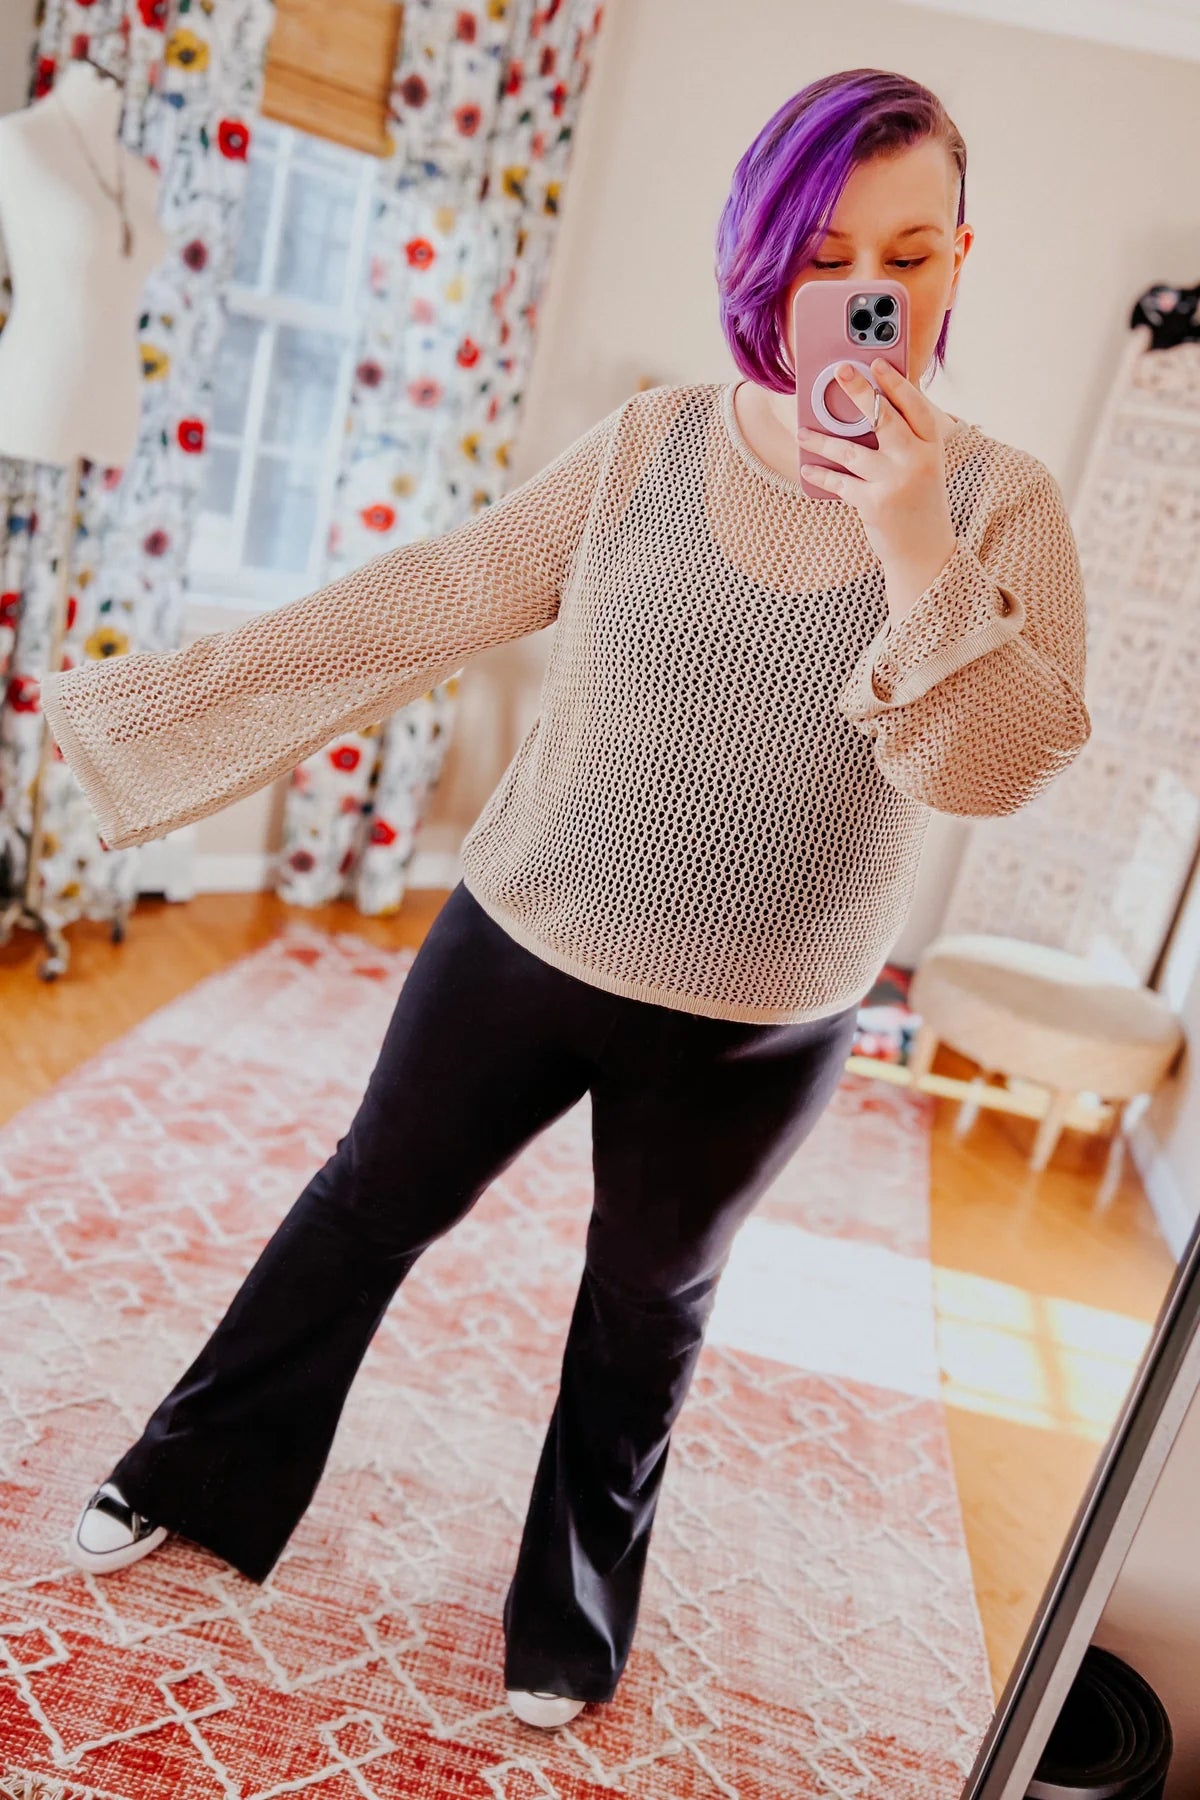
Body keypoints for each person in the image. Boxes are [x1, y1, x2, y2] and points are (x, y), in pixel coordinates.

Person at [44, 67, 1090, 1733]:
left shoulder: (999, 502)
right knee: (365, 1204)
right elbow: (443, 591)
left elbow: (993, 766)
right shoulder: (658, 440)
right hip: (526, 933)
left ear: (963, 254)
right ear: (767, 254)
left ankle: (573, 1612)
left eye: (910, 248)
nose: (870, 292)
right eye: (826, 250)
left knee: (646, 1310)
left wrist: (909, 532)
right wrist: (170, 700)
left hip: (771, 1003)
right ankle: (196, 1475)